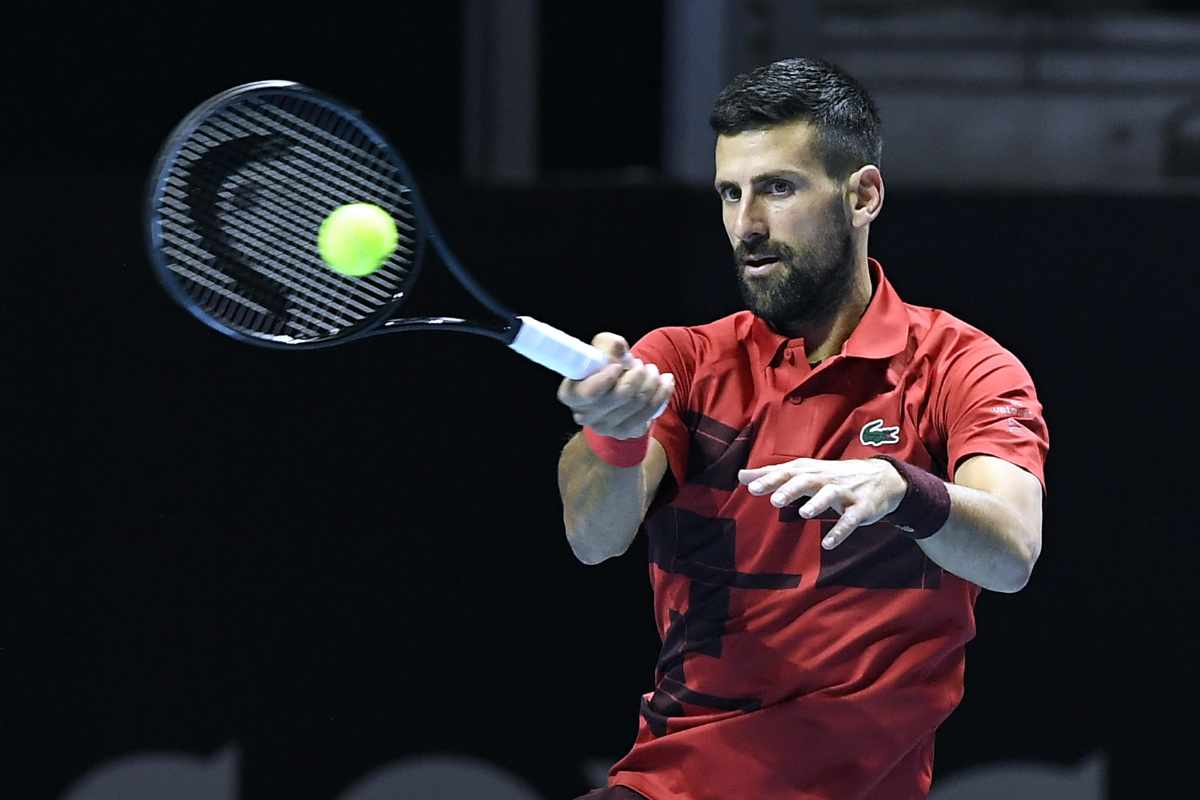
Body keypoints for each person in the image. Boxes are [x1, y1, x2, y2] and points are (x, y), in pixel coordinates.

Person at [556, 57, 1048, 800]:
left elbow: (1012, 552)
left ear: (863, 194)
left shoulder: (961, 367)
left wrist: (901, 490)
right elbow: (593, 539)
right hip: (675, 788)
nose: (746, 225)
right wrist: (615, 435)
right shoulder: (680, 363)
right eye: (730, 192)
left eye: (777, 188)